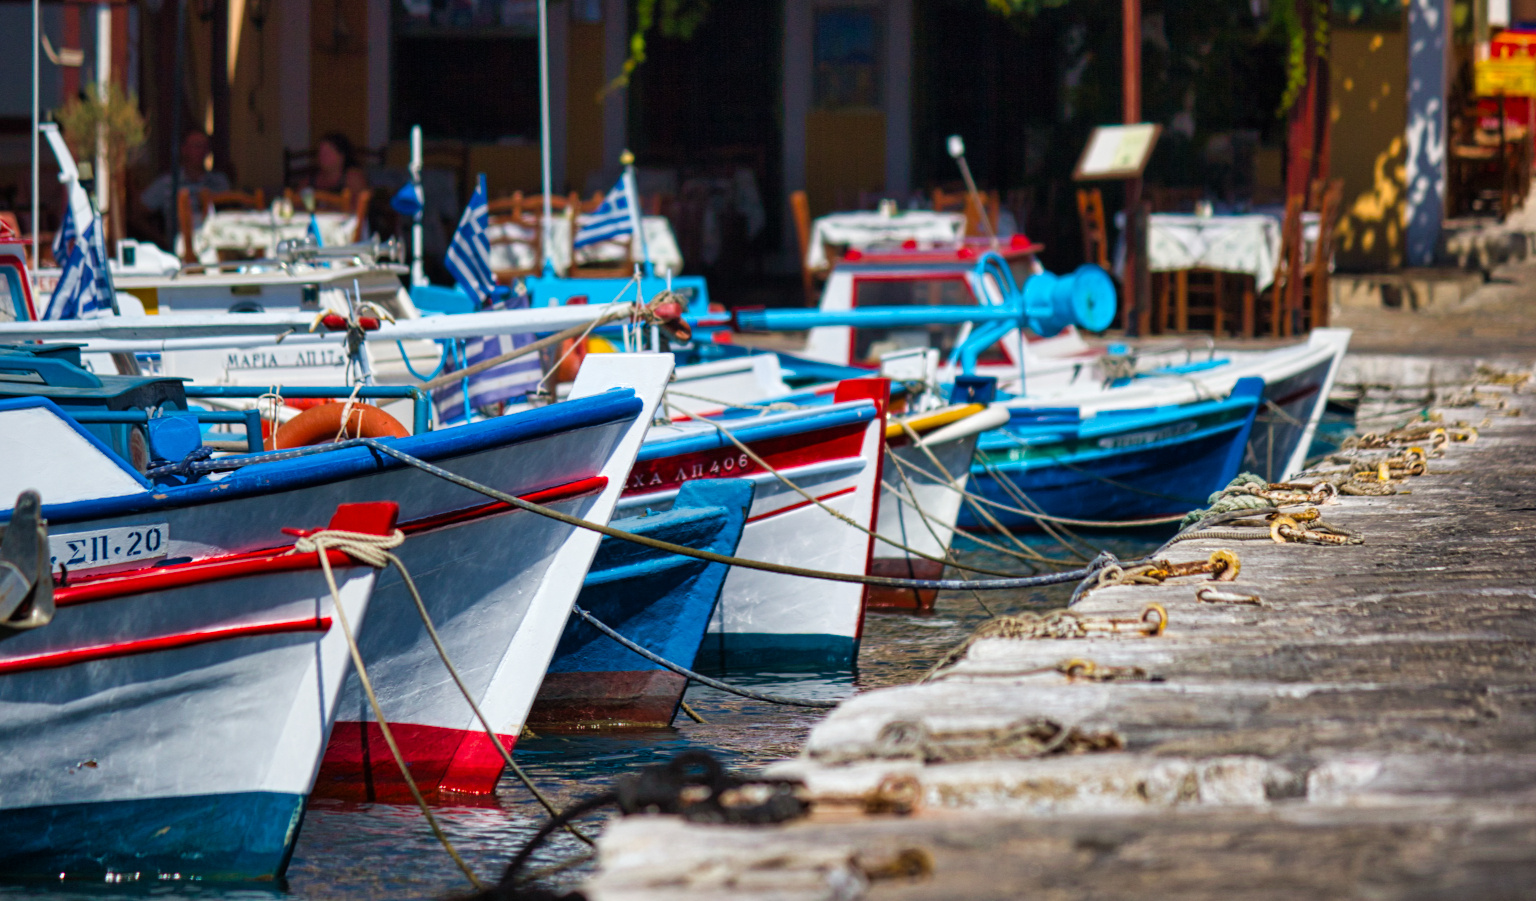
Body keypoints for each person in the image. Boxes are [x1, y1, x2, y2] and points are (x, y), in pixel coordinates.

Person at [139, 130, 231, 244]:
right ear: (184, 149)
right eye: (197, 146)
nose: (201, 151)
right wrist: (161, 241)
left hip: (218, 245)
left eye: (205, 147)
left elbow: (231, 213)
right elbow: (137, 213)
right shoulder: (168, 183)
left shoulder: (219, 182)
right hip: (181, 249)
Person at [302, 132, 369, 197]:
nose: (322, 156)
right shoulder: (310, 180)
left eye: (328, 152)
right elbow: (296, 202)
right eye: (320, 152)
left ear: (342, 156)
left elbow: (360, 205)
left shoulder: (353, 177)